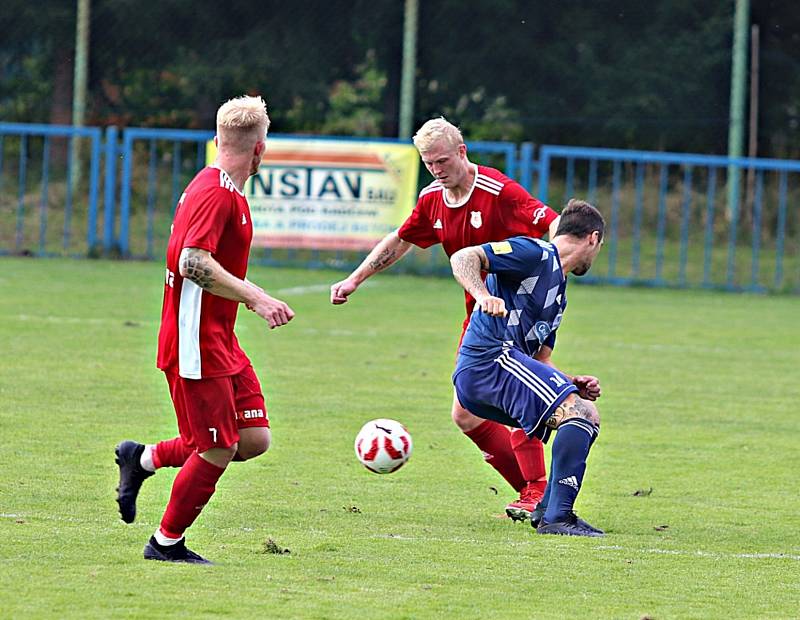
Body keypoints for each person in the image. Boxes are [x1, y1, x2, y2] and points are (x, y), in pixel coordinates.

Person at [331, 117, 560, 521]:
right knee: (466, 412)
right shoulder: (433, 198)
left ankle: (540, 488)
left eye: (442, 161)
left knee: (517, 396)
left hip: (515, 311)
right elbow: (401, 239)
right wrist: (355, 279)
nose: (436, 170)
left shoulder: (499, 190)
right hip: (479, 315)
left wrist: (556, 276)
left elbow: (552, 223)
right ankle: (535, 489)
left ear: (462, 152)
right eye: (428, 163)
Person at [114, 95, 295, 563]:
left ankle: (143, 458)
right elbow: (193, 262)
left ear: (217, 140)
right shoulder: (215, 192)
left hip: (220, 340)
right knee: (215, 448)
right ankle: (166, 543)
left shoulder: (223, 188)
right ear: (260, 150)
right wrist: (257, 297)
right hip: (195, 344)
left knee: (252, 440)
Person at [449, 199, 605, 536]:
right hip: (489, 360)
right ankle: (557, 518)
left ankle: (547, 508)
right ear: (593, 238)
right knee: (578, 414)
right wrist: (481, 295)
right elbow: (463, 257)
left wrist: (571, 383)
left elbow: (540, 361)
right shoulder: (535, 253)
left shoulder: (559, 294)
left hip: (505, 368)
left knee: (585, 410)